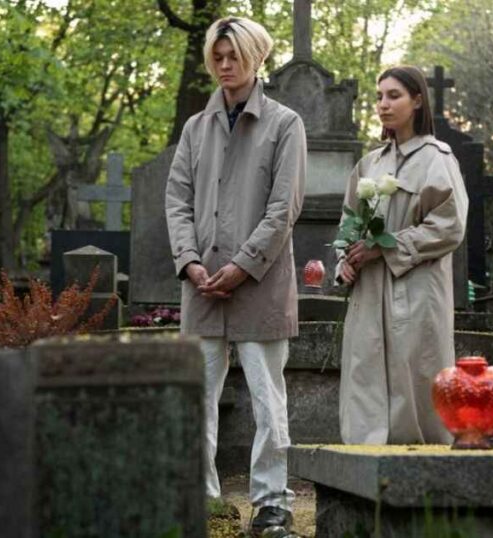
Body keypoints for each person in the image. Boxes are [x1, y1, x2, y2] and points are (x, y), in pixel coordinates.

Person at [164, 16, 306, 533]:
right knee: (196, 396)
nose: (224, 66)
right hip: (201, 284)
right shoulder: (195, 128)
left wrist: (241, 266)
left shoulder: (285, 124)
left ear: (256, 57)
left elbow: (283, 207)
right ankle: (203, 501)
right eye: (217, 57)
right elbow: (176, 199)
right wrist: (190, 261)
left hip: (261, 283)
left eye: (234, 57)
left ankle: (271, 504)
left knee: (269, 399)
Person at [336, 65, 469, 445]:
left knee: (417, 373)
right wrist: (345, 259)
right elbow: (348, 222)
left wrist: (387, 246)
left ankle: (423, 461)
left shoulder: (437, 159)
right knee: (365, 371)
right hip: (368, 293)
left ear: (417, 100)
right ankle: (363, 460)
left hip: (416, 291)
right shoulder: (370, 163)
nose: (383, 104)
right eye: (379, 97)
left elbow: (450, 226)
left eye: (393, 95)